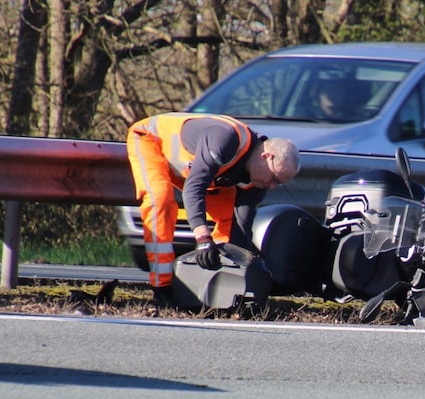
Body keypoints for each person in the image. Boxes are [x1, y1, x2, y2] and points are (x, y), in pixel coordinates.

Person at [125, 113, 300, 301]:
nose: (272, 186)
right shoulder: (225, 140)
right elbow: (193, 189)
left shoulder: (256, 181)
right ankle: (162, 288)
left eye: (278, 184)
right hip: (151, 141)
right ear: (266, 156)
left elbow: (239, 231)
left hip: (191, 168)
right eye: (274, 178)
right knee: (160, 200)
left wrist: (256, 275)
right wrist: (203, 239)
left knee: (228, 222)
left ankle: (211, 290)